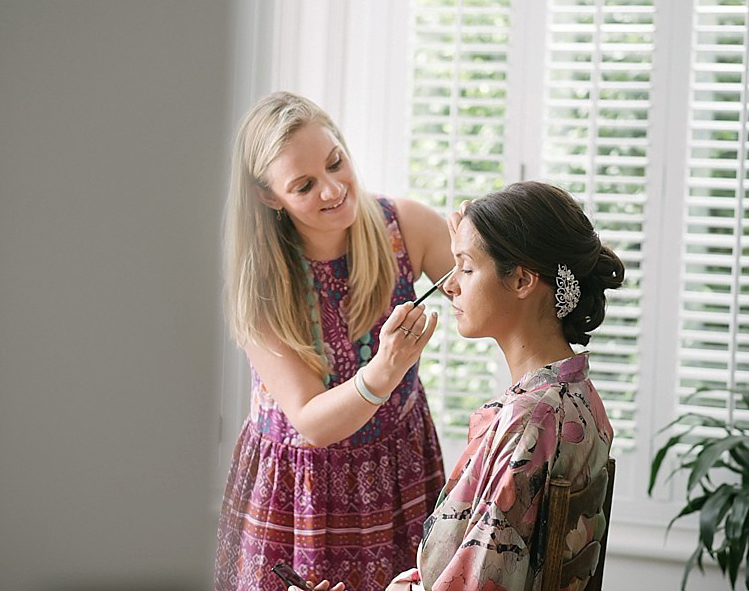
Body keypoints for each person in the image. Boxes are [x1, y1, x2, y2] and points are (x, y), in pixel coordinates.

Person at [214, 91, 454, 591]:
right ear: (267, 196)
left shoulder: (405, 227)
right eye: (304, 185)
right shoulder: (260, 282)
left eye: (335, 162)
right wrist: (385, 370)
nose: (332, 189)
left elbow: (486, 290)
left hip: (398, 474)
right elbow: (313, 423)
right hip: (297, 496)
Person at [365, 181, 623, 591]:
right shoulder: (578, 398)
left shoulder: (530, 420)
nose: (450, 285)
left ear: (522, 281)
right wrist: (475, 238)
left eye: (465, 268)